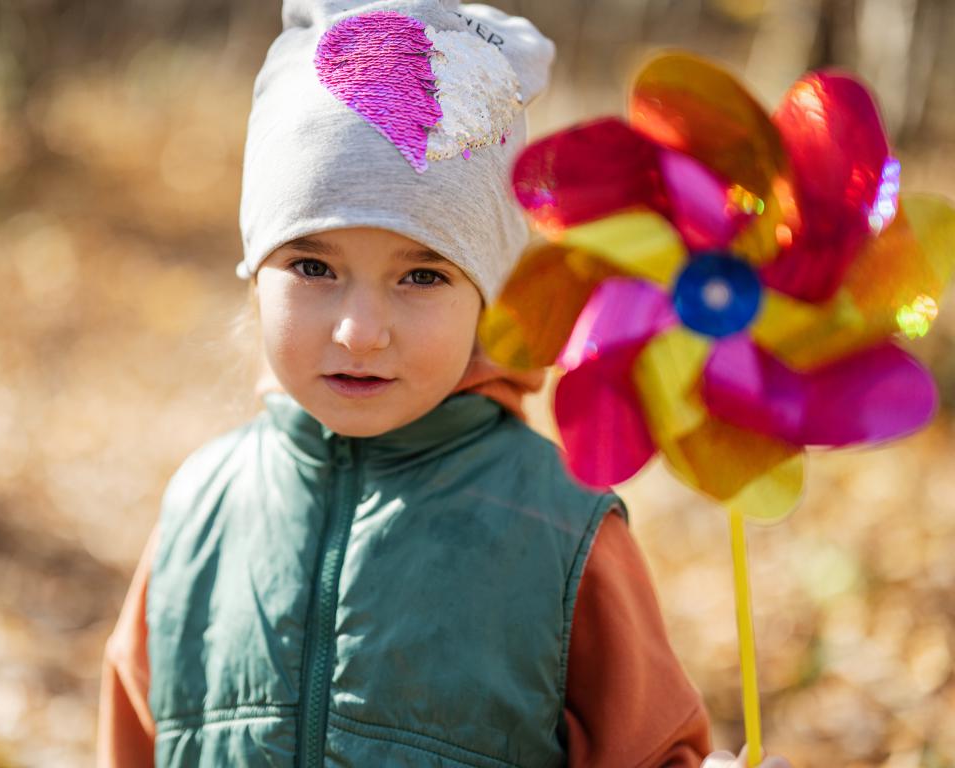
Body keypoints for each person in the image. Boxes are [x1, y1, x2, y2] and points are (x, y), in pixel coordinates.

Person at [97, 1, 792, 765]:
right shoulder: (200, 507)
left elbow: (650, 749)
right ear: (254, 275)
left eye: (423, 274)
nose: (361, 330)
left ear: (488, 302)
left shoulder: (563, 528)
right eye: (313, 266)